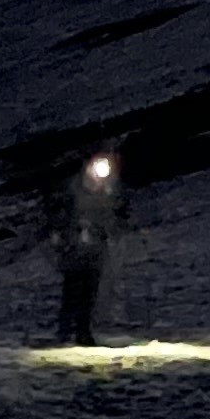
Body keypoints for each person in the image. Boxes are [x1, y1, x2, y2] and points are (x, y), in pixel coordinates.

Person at [49, 144, 129, 343]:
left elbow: (113, 214)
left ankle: (82, 330)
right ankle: (65, 329)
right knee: (72, 288)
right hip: (74, 247)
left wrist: (109, 230)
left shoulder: (108, 192)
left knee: (90, 290)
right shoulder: (75, 188)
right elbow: (62, 212)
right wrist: (64, 235)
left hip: (95, 248)